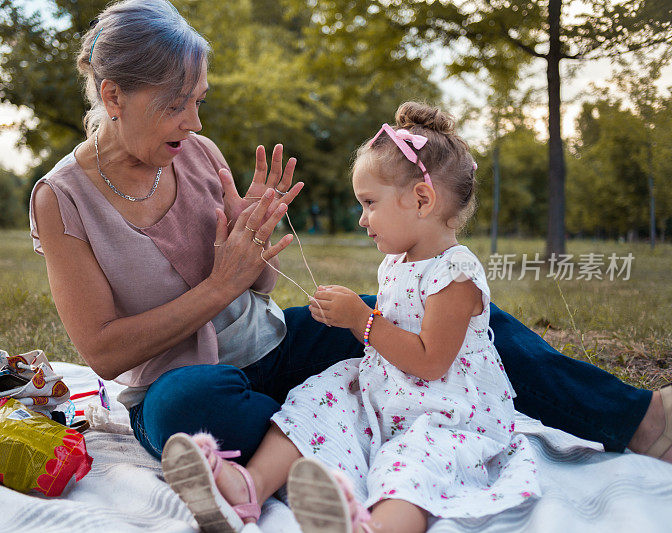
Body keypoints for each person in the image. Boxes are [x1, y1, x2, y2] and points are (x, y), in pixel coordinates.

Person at [28, 1, 671, 524]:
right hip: (184, 385)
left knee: (440, 313)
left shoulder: (198, 154)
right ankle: (335, 439)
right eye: (176, 103)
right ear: (113, 95)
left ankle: (639, 420)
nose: (194, 120)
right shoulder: (62, 199)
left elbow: (258, 286)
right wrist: (219, 282)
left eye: (199, 99)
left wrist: (256, 244)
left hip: (275, 348)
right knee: (182, 410)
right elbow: (105, 352)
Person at [163, 102, 544, 532]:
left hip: (443, 412)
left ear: (421, 199)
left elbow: (432, 362)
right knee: (318, 398)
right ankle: (249, 486)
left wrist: (361, 319)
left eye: (369, 203)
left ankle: (378, 526)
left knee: (413, 462)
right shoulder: (398, 262)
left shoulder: (454, 273)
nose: (362, 219)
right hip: (387, 393)